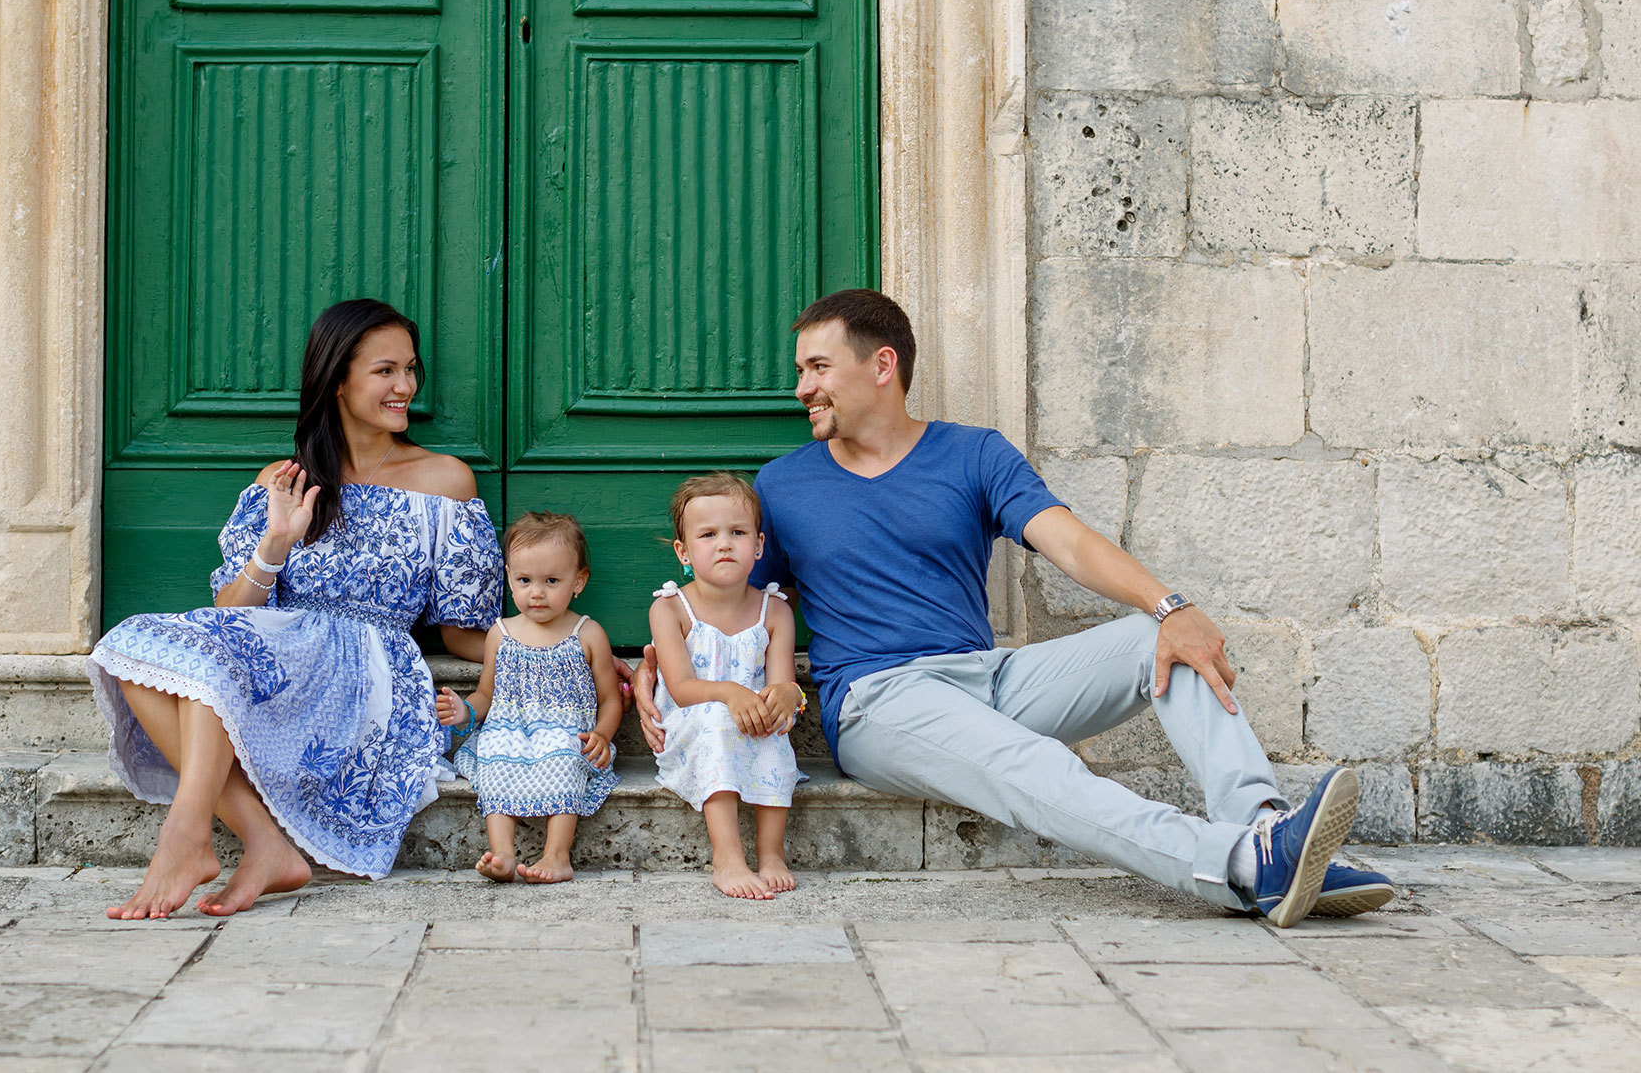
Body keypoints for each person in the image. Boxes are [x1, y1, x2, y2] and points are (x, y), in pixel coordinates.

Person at [635, 289, 1393, 927]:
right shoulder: (785, 483)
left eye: (818, 367)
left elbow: (1067, 541)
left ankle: (1265, 829)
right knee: (1033, 766)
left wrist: (1171, 606)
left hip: (991, 678)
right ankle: (1239, 865)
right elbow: (724, 596)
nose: (802, 388)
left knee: (1155, 638)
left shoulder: (974, 453)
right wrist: (648, 671)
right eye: (802, 371)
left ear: (882, 366)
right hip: (880, 700)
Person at [87, 299, 502, 918]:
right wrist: (275, 545)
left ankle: (188, 833)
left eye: (410, 370)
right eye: (386, 371)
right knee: (130, 648)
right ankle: (257, 843)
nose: (406, 387)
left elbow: (461, 630)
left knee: (209, 662)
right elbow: (229, 609)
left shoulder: (445, 482)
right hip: (276, 652)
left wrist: (559, 645)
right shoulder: (283, 480)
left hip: (366, 665)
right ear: (338, 379)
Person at [435, 512, 622, 885]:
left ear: (578, 581)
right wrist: (466, 709)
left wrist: (602, 734)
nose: (536, 592)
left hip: (567, 729)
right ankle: (502, 852)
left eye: (551, 581)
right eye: (525, 580)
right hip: (510, 726)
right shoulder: (500, 633)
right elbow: (487, 693)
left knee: (566, 757)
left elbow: (611, 699)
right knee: (493, 760)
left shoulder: (588, 633)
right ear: (509, 578)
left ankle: (557, 854)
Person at [647, 473, 806, 901]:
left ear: (758, 545)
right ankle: (728, 857)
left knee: (773, 723)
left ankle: (771, 853)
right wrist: (731, 693)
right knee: (719, 716)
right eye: (708, 534)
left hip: (750, 719)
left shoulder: (774, 611)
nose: (723, 543)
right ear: (683, 551)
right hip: (691, 725)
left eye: (737, 532)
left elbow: (781, 683)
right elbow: (681, 688)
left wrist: (788, 696)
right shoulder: (670, 609)